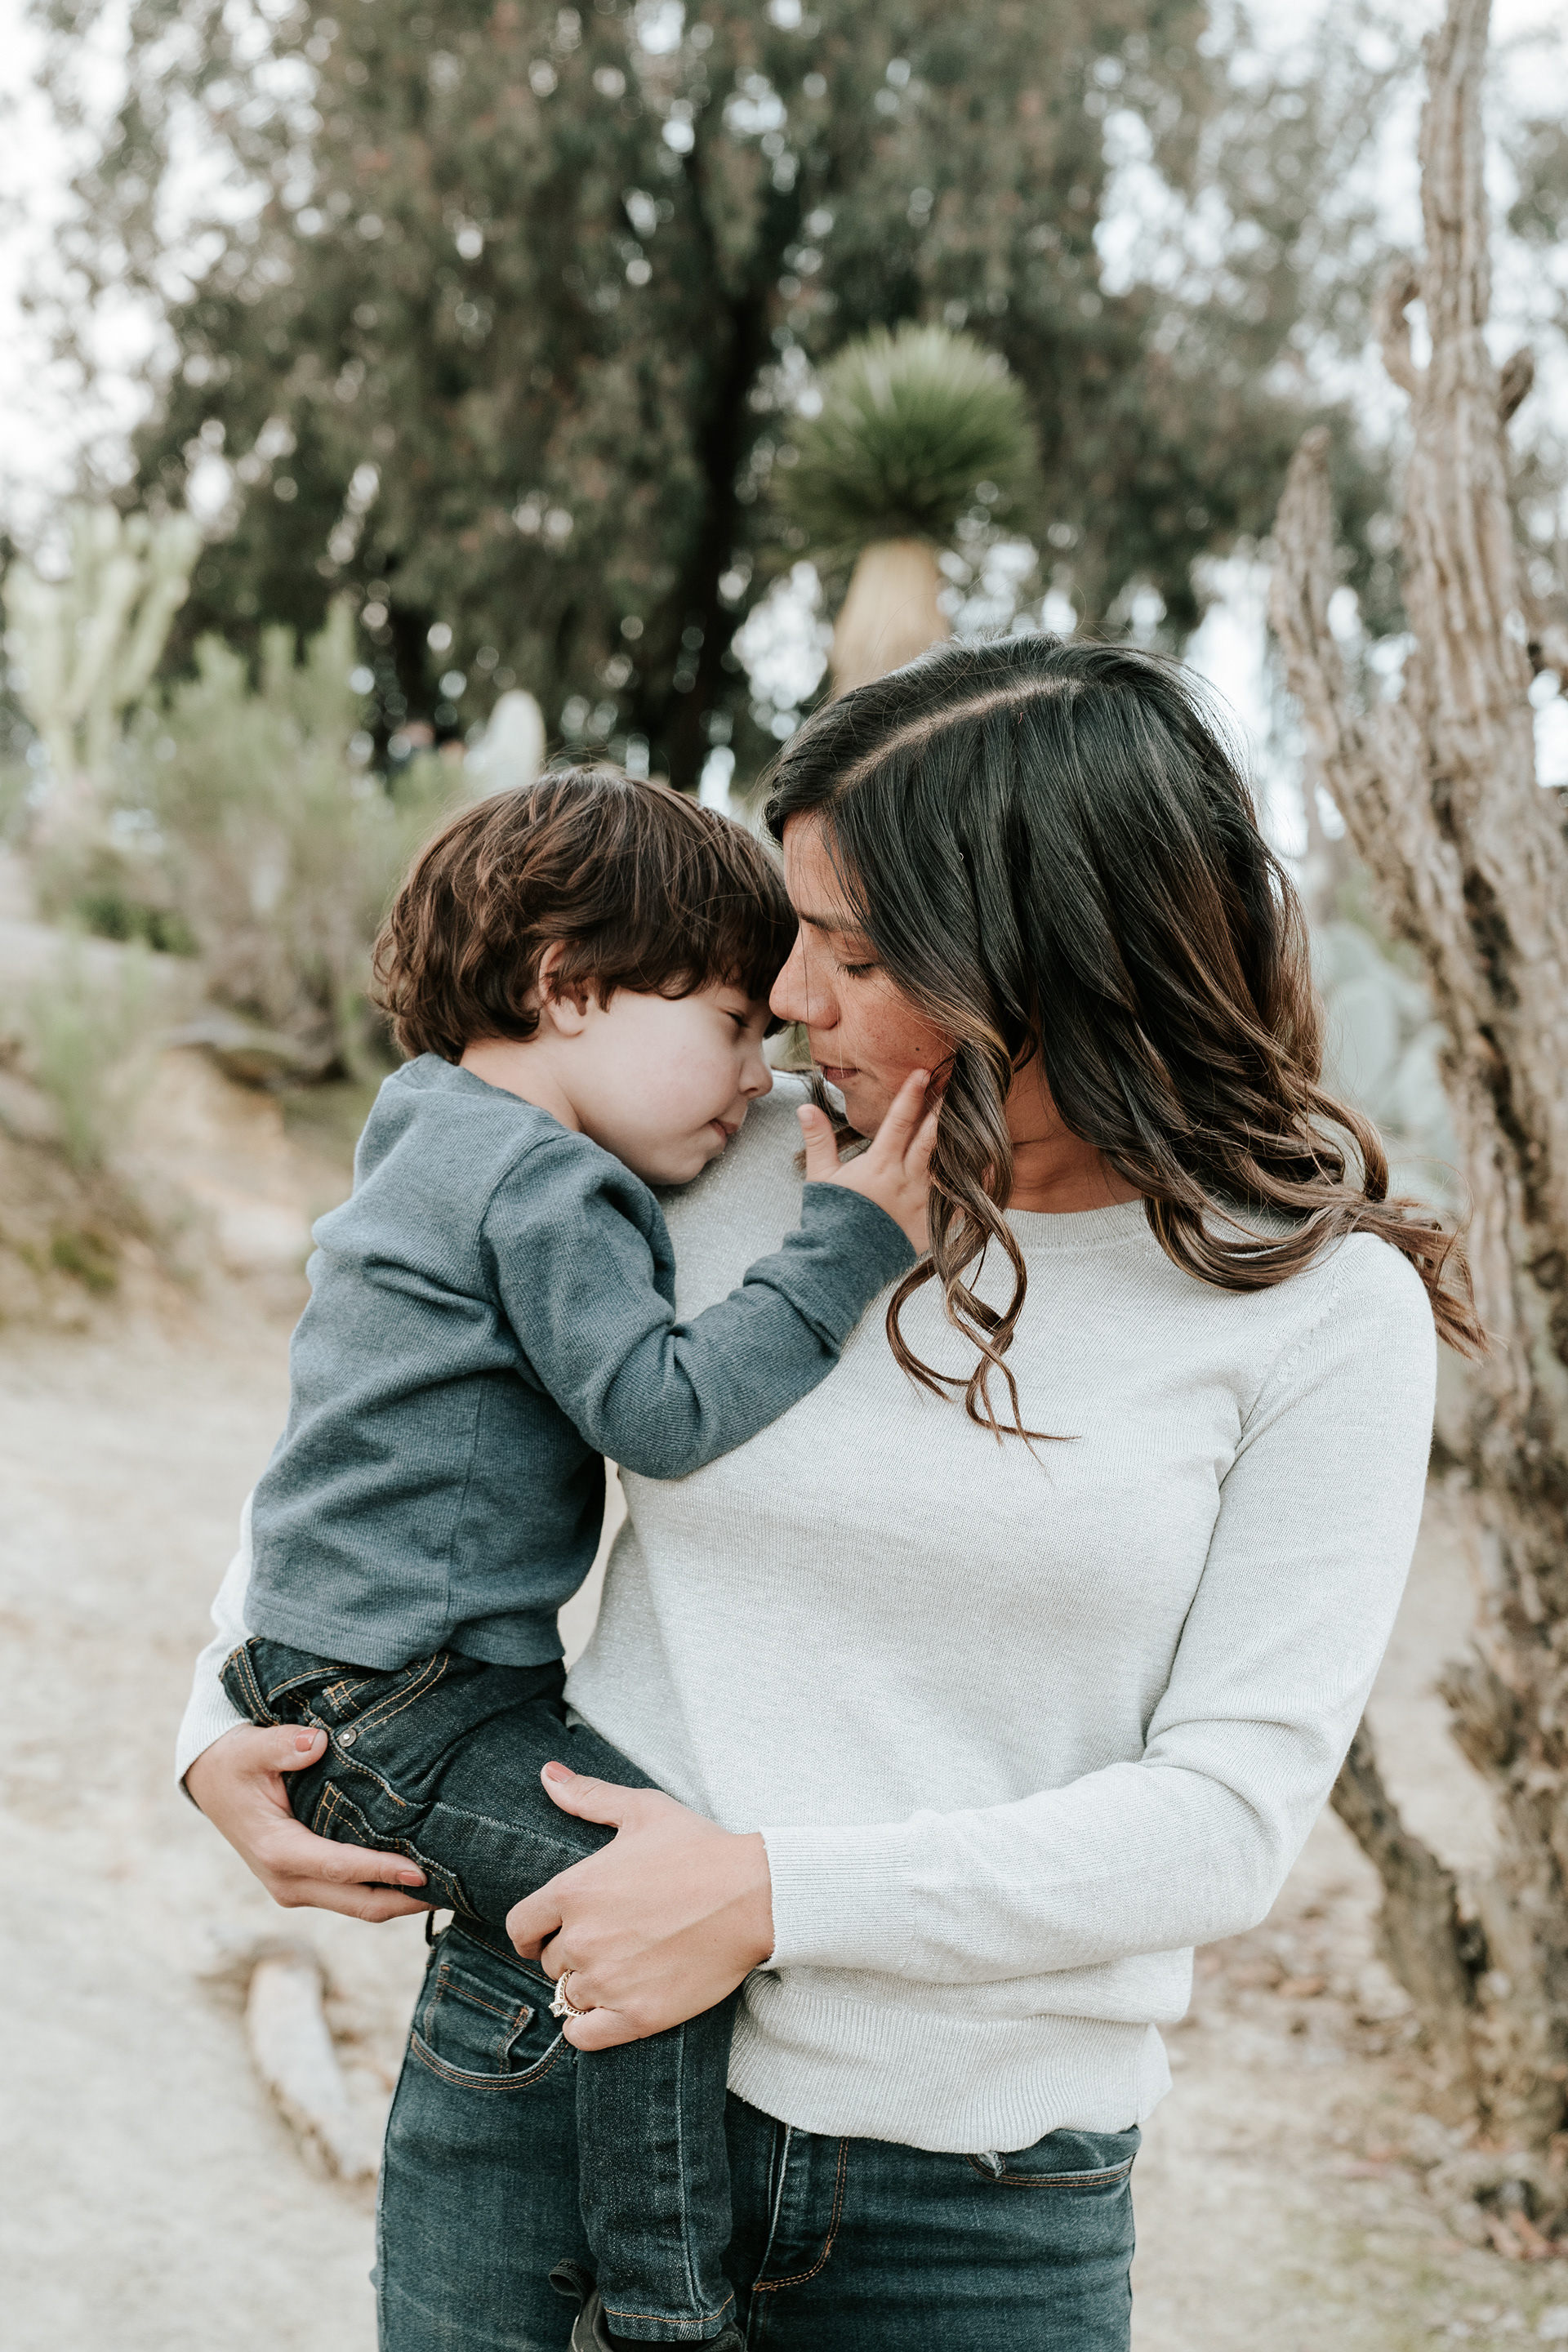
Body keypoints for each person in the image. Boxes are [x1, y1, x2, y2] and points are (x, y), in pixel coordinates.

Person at [180, 635, 1478, 2351]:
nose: (788, 1000)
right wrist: (218, 1720)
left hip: (974, 2200)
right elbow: (390, 1408)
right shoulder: (711, 1155)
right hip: (542, 2062)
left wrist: (769, 1895)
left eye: (856, 954)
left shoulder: (1320, 1315)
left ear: (1058, 963)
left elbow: (1227, 1818)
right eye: (795, 938)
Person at [212, 768, 935, 2352]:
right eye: (730, 1022)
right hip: (407, 1702)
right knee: (641, 1907)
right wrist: (846, 1247)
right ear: (566, 986)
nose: (758, 1072)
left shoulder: (422, 1125)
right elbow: (659, 1412)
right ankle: (668, 2304)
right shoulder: (545, 1183)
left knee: (630, 1888)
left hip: (341, 1671)